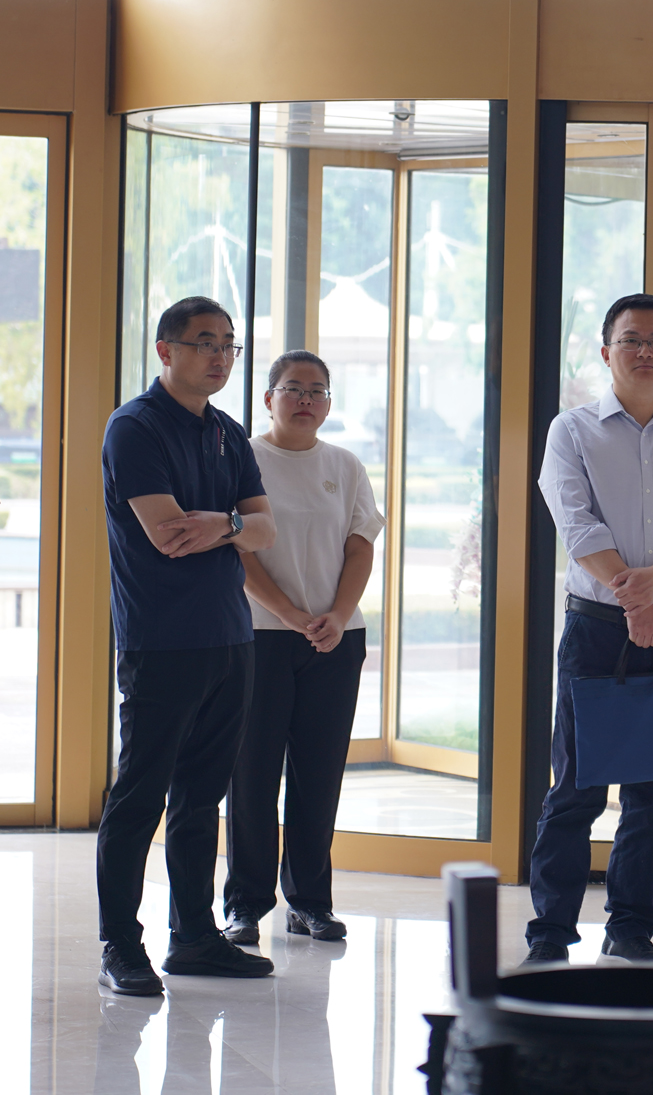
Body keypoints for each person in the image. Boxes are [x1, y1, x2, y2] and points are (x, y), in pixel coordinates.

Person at [524, 294, 653, 965]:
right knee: (576, 789)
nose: (644, 350)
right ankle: (550, 934)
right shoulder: (572, 430)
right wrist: (635, 600)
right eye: (631, 338)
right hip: (598, 630)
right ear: (607, 351)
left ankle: (631, 930)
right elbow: (575, 522)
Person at [97, 296, 279, 995]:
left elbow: (265, 530)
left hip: (230, 636)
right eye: (205, 342)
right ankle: (120, 945)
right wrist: (234, 524)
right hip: (161, 640)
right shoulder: (134, 427)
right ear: (165, 350)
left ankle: (194, 937)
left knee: (202, 798)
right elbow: (168, 534)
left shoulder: (229, 433)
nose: (220, 356)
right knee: (140, 797)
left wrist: (223, 523)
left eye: (229, 344)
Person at [222, 351, 383, 945]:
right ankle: (245, 905)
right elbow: (237, 549)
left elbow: (361, 544)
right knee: (252, 774)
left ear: (329, 403)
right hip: (260, 636)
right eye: (294, 388)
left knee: (319, 774)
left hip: (335, 639)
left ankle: (311, 901)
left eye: (318, 390)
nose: (306, 400)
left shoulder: (344, 464)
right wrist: (290, 614)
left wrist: (337, 616)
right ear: (269, 398)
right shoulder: (243, 458)